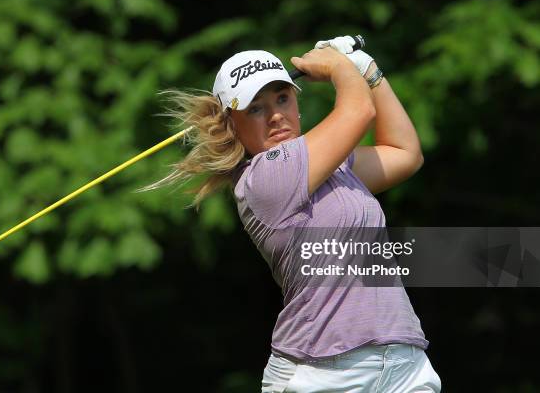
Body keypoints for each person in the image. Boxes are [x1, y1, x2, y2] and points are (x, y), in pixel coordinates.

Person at [149, 36, 441, 392]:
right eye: (255, 108)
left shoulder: (333, 167)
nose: (275, 116)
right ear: (233, 126)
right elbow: (358, 111)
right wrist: (338, 66)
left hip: (404, 364)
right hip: (322, 372)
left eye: (283, 98)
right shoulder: (264, 178)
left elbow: (404, 152)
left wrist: (370, 72)